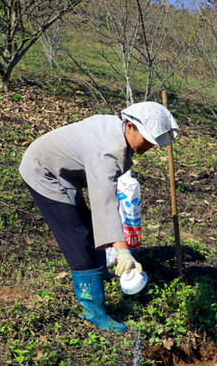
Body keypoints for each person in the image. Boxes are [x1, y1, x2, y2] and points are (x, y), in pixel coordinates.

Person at [19, 101, 179, 331]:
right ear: (130, 126)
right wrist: (123, 251)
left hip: (63, 173)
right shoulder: (106, 151)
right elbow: (104, 203)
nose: (150, 147)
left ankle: (97, 276)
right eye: (148, 140)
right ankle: (93, 311)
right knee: (78, 240)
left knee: (88, 230)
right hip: (43, 172)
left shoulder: (116, 131)